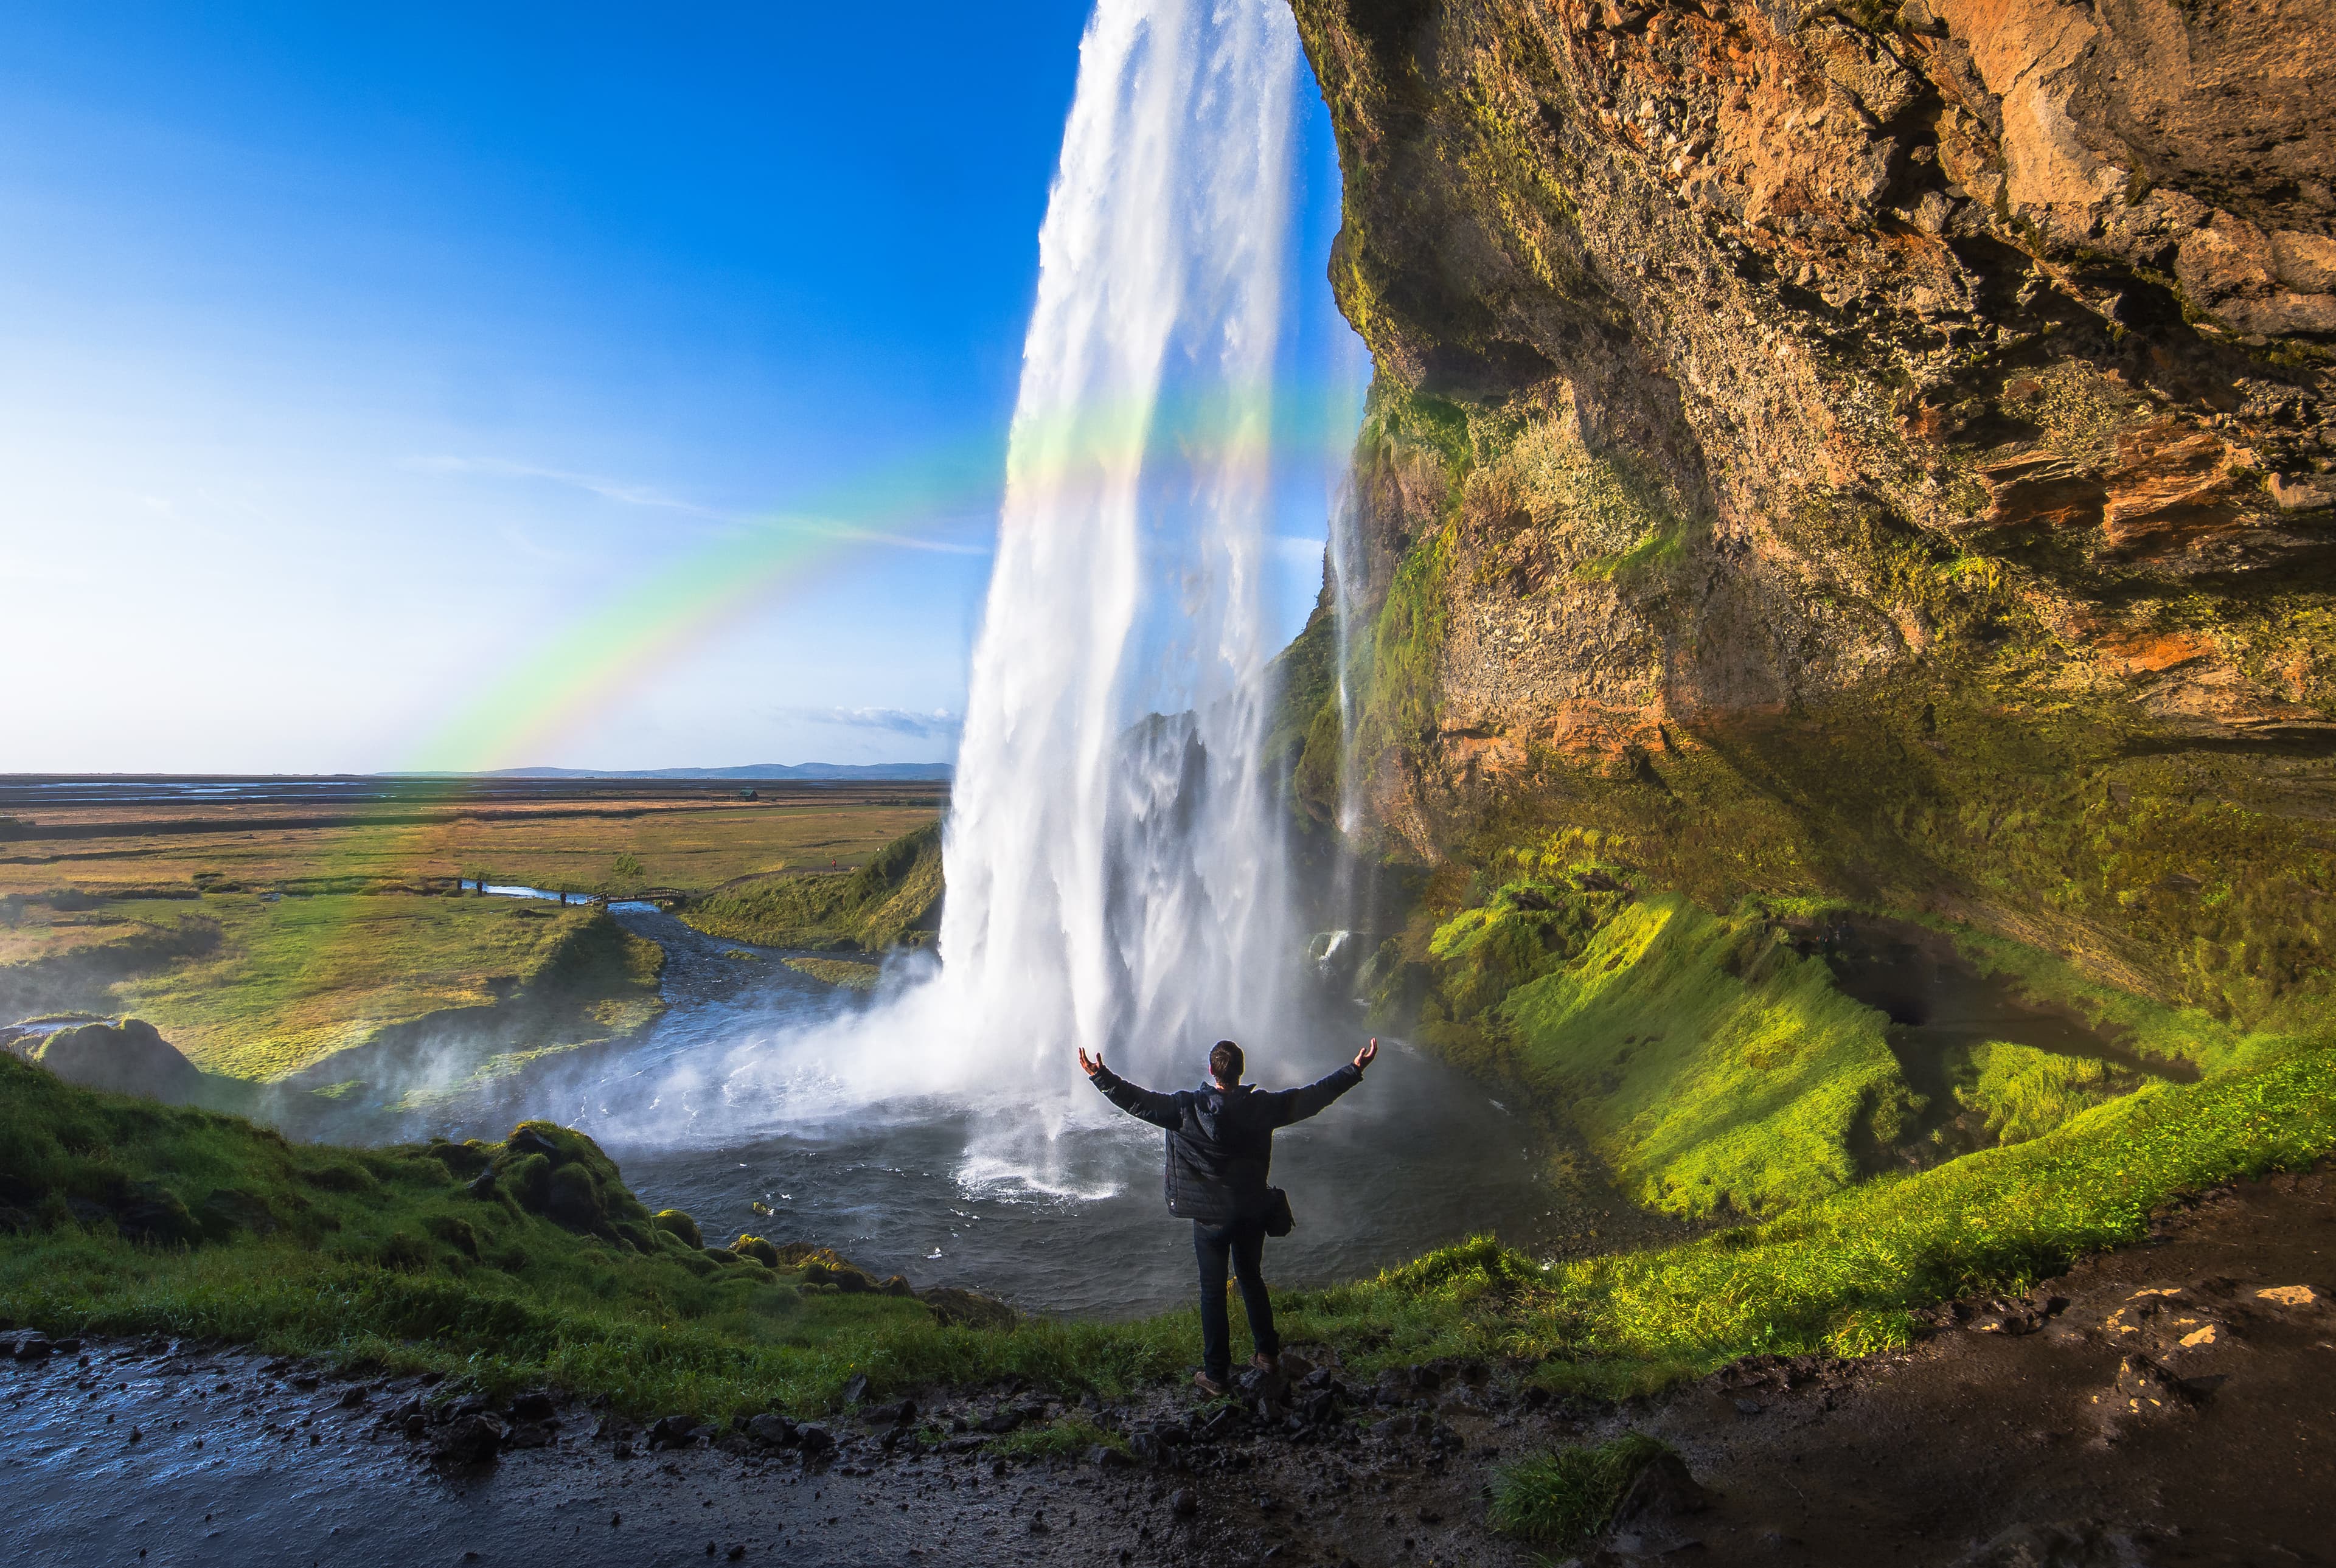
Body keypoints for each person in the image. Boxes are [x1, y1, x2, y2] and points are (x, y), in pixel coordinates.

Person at [1078, 1033, 1380, 1396]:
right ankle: (1267, 1356)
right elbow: (1312, 1098)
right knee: (1251, 1278)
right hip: (1252, 1211)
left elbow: (1139, 1103)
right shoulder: (1262, 1107)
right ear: (1241, 1072)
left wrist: (1101, 1077)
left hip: (1210, 1220)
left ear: (1211, 1071)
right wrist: (1354, 1069)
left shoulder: (1185, 1108)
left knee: (1212, 1292)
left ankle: (1216, 1376)